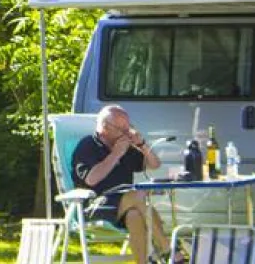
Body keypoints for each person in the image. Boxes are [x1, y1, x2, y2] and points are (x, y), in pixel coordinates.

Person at [71, 105, 177, 264]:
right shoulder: (88, 145)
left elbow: (154, 164)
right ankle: (167, 248)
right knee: (138, 195)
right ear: (105, 127)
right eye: (122, 129)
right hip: (94, 205)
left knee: (134, 214)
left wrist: (142, 144)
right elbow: (91, 179)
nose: (127, 133)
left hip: (125, 207)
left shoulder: (125, 146)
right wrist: (116, 154)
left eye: (129, 128)